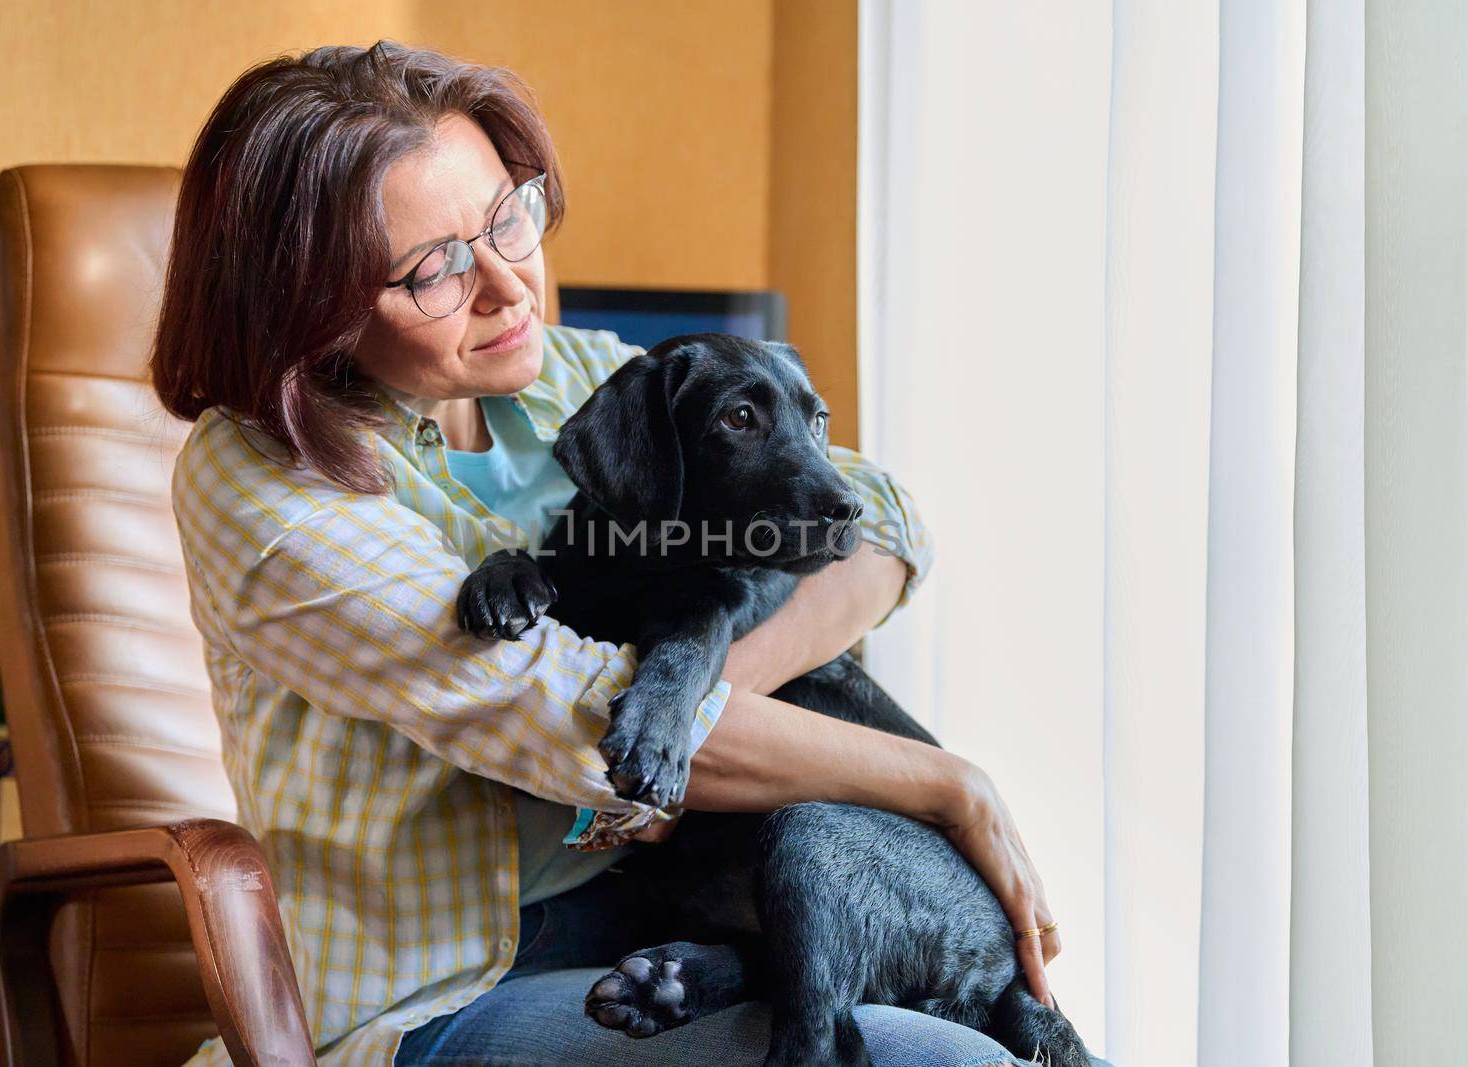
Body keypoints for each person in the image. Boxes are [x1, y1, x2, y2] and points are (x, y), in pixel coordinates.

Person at [152, 40, 1105, 1067]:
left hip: (674, 923)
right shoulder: (262, 481)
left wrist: (715, 676)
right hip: (449, 989)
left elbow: (877, 516)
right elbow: (579, 718)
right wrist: (943, 782)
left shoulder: (563, 376)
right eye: (435, 269)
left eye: (507, 217)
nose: (509, 286)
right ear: (308, 308)